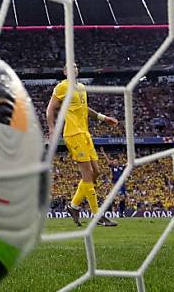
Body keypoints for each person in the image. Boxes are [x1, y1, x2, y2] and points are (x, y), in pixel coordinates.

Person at [46, 62, 119, 227]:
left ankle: (73, 206)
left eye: (76, 66)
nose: (74, 69)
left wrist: (103, 118)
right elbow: (50, 109)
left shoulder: (81, 87)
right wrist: (51, 130)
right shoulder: (62, 87)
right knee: (87, 173)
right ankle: (97, 215)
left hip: (85, 133)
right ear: (65, 72)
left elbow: (85, 109)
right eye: (70, 67)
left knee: (96, 173)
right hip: (73, 134)